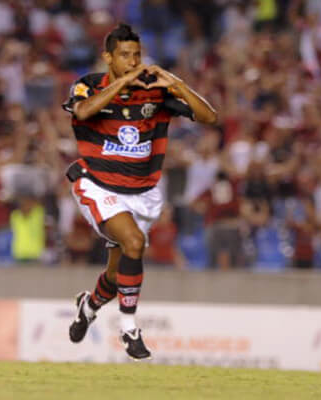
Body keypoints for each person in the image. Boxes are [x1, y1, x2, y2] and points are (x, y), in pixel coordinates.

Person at [63, 23, 217, 360]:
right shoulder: (87, 85)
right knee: (135, 243)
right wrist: (122, 83)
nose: (133, 62)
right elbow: (83, 112)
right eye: (125, 55)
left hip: (142, 191)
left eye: (137, 55)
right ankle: (129, 329)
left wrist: (174, 83)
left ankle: (88, 306)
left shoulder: (155, 92)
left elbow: (209, 116)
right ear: (108, 57)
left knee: (118, 273)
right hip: (96, 183)